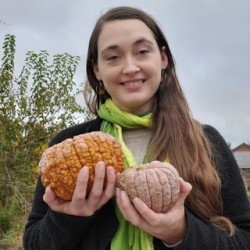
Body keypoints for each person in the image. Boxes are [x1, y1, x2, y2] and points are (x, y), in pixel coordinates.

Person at [23, 6, 250, 250]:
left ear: (162, 59)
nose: (130, 67)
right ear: (97, 69)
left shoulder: (206, 141)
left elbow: (245, 239)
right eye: (113, 57)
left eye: (142, 52)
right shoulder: (67, 143)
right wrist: (68, 219)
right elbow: (34, 242)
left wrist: (180, 231)